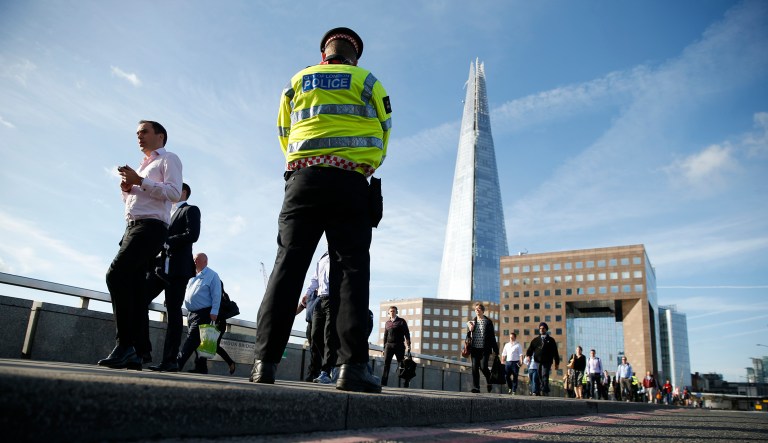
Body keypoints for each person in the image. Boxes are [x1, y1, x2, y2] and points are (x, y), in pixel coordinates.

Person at [249, 27, 392, 394]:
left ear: (324, 54)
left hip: (303, 180)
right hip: (350, 182)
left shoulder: (297, 81)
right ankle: (351, 368)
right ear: (354, 56)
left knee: (287, 266)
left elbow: (284, 131)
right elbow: (384, 131)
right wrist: (363, 161)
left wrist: (306, 159)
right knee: (351, 272)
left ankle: (264, 363)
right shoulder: (368, 81)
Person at [98, 120, 182, 370]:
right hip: (132, 227)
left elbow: (174, 193)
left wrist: (141, 181)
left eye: (144, 132)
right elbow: (139, 197)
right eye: (137, 133)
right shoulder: (142, 166)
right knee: (134, 287)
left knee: (115, 275)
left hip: (150, 227)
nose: (139, 137)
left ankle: (125, 344)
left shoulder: (169, 159)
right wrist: (128, 188)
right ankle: (133, 351)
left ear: (160, 135)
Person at [146, 182, 200, 372]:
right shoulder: (164, 212)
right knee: (140, 298)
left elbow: (193, 234)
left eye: (175, 190)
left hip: (178, 270)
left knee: (174, 312)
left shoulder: (190, 210)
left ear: (183, 192)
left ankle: (170, 361)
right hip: (159, 268)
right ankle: (140, 351)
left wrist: (168, 241)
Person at [176, 253, 221, 372]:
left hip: (204, 313)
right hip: (191, 313)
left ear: (205, 261)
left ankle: (178, 363)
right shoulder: (192, 276)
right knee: (198, 341)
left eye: (197, 259)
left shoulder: (212, 275)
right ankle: (201, 367)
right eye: (194, 259)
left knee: (191, 339)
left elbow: (216, 294)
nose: (194, 261)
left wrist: (214, 311)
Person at [306, 252, 338, 385]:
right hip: (320, 299)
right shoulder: (323, 257)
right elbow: (315, 277)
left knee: (329, 336)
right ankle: (333, 364)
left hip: (334, 298)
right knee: (315, 335)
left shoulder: (340, 253)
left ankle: (325, 371)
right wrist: (308, 293)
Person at [466, 303, 499, 393]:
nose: (477, 310)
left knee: (483, 367)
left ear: (483, 311)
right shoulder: (472, 322)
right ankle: (476, 387)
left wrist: (496, 350)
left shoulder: (488, 322)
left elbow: (492, 336)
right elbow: (468, 336)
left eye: (479, 309)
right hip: (474, 348)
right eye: (476, 309)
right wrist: (470, 329)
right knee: (474, 367)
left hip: (485, 349)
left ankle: (489, 380)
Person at [525, 322, 560, 396]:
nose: (541, 329)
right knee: (539, 376)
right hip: (537, 361)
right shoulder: (536, 340)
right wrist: (528, 355)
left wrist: (557, 363)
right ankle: (539, 390)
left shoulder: (551, 340)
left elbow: (555, 352)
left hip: (547, 361)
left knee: (545, 374)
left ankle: (545, 390)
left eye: (543, 328)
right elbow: (530, 349)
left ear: (546, 329)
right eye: (540, 328)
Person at [381, 306, 411, 387]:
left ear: (396, 312)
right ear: (388, 312)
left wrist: (408, 345)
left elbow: (407, 333)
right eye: (391, 311)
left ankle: (406, 382)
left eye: (394, 311)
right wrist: (384, 348)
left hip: (399, 345)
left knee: (401, 364)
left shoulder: (401, 321)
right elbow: (385, 336)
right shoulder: (387, 323)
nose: (392, 312)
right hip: (389, 346)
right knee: (386, 364)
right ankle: (383, 383)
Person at [295, 289, 320, 381]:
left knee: (316, 348)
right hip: (310, 324)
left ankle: (314, 373)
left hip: (320, 324)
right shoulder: (310, 294)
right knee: (313, 349)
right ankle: (314, 372)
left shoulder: (325, 294)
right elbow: (301, 306)